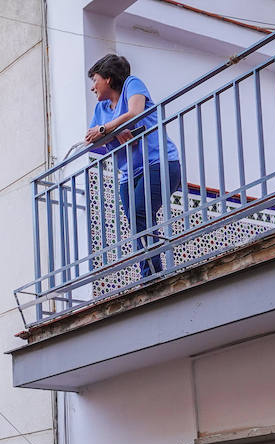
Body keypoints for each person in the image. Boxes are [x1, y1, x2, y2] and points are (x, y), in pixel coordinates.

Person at [83, 53, 183, 278]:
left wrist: (106, 129)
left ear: (108, 78)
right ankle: (149, 272)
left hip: (159, 163)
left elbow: (135, 112)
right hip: (128, 174)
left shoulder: (132, 84)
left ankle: (152, 275)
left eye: (94, 80)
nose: (93, 87)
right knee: (138, 221)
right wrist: (113, 130)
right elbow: (92, 143)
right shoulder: (102, 109)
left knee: (140, 211)